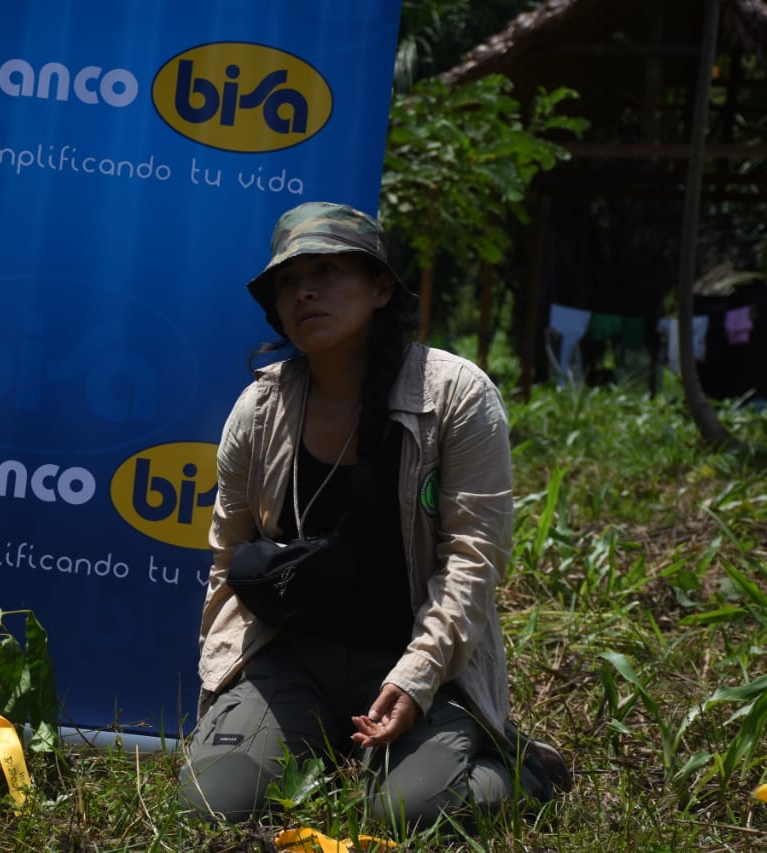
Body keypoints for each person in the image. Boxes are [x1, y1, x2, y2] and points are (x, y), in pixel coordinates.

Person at [176, 202, 571, 833]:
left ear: (382, 288)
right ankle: (307, 737)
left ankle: (523, 769)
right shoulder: (259, 409)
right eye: (287, 280)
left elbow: (475, 559)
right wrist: (226, 685)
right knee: (212, 804)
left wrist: (416, 679)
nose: (303, 290)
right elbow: (227, 557)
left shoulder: (456, 397)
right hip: (293, 659)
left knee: (407, 815)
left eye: (328, 270)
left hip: (424, 661)